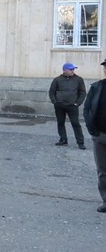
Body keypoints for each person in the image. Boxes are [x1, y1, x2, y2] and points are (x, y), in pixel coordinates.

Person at [82, 57, 106, 213]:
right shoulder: (97, 87)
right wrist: (93, 130)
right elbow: (87, 109)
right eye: (105, 67)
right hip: (101, 135)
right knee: (103, 171)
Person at [50, 63, 86, 149]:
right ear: (64, 70)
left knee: (75, 123)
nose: (72, 71)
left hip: (72, 106)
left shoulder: (78, 79)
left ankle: (80, 142)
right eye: (70, 69)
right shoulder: (57, 80)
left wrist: (77, 103)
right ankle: (63, 139)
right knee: (60, 122)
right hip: (60, 105)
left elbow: (82, 92)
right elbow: (52, 92)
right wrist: (55, 102)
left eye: (73, 69)